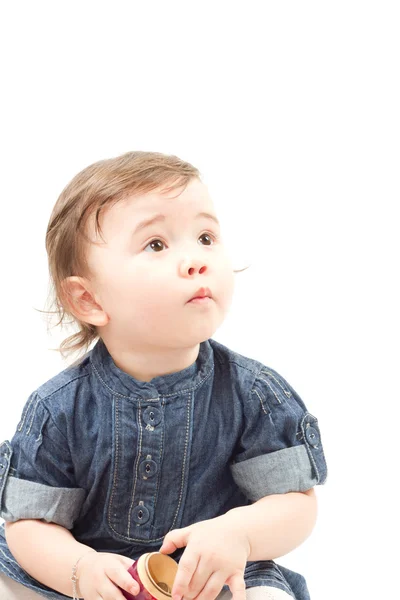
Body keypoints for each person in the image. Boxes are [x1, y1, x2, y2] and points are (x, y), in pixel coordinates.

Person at [0, 151, 328, 600]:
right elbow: (32, 523)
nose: (196, 260)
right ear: (88, 299)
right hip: (86, 572)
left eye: (206, 236)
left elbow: (295, 504)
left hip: (213, 575)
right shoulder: (58, 409)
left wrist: (238, 534)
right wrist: (79, 569)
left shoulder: (254, 393)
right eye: (156, 244)